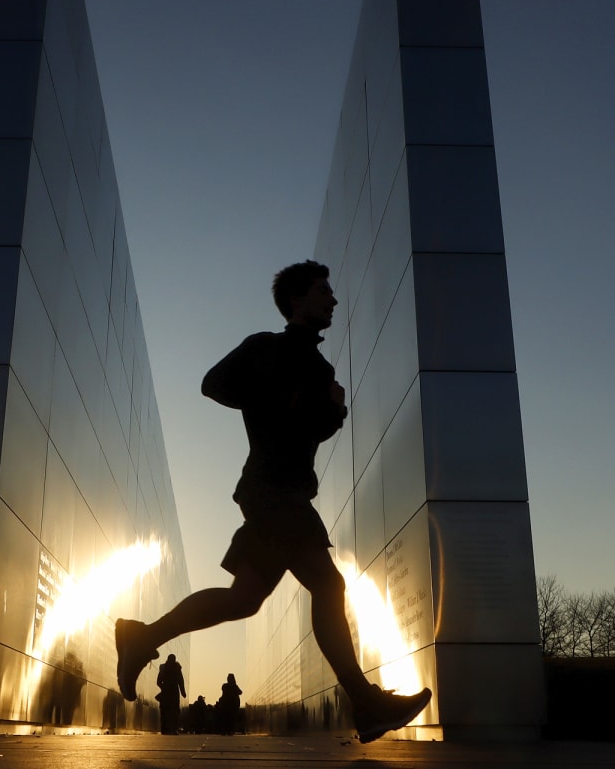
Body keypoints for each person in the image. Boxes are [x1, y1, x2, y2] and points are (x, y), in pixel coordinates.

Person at [115, 261, 432, 743]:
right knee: (328, 587)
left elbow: (310, 431)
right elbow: (214, 384)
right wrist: (283, 396)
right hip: (273, 492)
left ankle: (142, 637)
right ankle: (365, 703)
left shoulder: (319, 365)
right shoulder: (266, 347)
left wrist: (332, 409)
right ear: (297, 300)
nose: (333, 299)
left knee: (244, 600)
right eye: (324, 290)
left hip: (284, 490)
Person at [155, 653, 186, 734]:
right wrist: (183, 691)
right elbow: (181, 680)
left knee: (165, 710)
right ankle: (173, 729)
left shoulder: (163, 668)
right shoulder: (177, 668)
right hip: (174, 691)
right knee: (174, 710)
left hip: (166, 691)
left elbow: (158, 682)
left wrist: (164, 687)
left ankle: (164, 729)